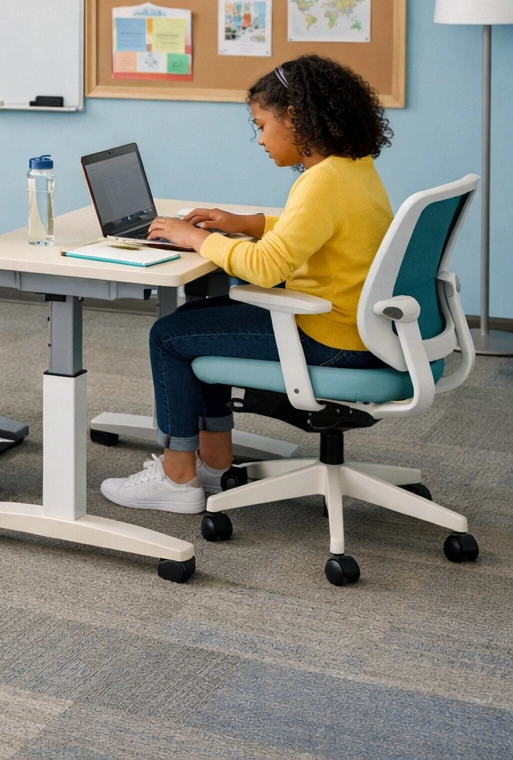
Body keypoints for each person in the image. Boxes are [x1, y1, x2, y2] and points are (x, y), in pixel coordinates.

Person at [100, 55, 394, 513]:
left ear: (295, 118)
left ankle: (177, 478)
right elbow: (317, 227)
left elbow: (266, 268)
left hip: (329, 337)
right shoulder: (352, 168)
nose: (258, 139)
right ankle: (216, 467)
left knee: (169, 336)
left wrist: (196, 238)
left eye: (261, 125)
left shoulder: (322, 182)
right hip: (357, 328)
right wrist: (247, 222)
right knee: (198, 320)